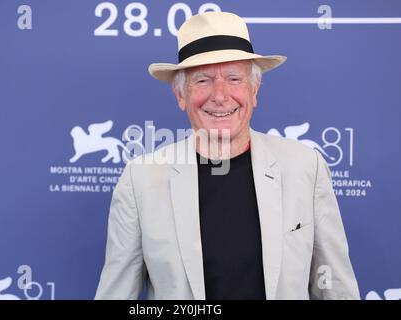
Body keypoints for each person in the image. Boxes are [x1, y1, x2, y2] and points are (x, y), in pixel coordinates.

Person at [95, 11, 360, 300]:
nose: (220, 96)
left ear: (254, 89)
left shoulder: (305, 168)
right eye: (202, 81)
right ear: (180, 95)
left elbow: (335, 287)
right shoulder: (141, 180)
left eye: (234, 78)